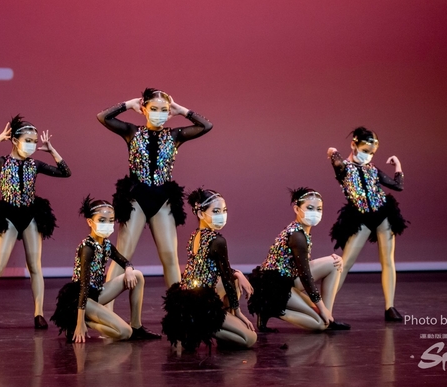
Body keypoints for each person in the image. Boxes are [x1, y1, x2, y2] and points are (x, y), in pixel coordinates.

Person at [97, 88, 212, 297]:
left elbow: (206, 126)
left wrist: (181, 110)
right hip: (136, 199)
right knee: (122, 255)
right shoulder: (132, 132)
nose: (159, 113)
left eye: (164, 109)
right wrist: (128, 104)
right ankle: (105, 306)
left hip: (163, 201)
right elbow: (103, 117)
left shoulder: (174, 135)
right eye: (154, 108)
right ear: (144, 109)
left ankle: (178, 309)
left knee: (170, 257)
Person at [0, 115, 71, 330]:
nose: (32, 145)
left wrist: (52, 151)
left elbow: (65, 172)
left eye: (34, 142)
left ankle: (39, 313)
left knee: (35, 267)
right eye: (28, 141)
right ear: (15, 140)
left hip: (31, 215)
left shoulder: (35, 164)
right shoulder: (1, 162)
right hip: (8, 215)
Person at [51, 196, 161, 343]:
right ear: (90, 222)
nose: (107, 225)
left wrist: (128, 269)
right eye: (102, 221)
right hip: (80, 299)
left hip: (96, 293)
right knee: (124, 333)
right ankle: (82, 322)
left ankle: (137, 327)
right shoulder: (87, 248)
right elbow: (83, 286)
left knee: (137, 275)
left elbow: (124, 261)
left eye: (111, 221)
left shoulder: (106, 244)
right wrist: (79, 323)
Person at [327, 127, 408, 322]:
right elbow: (335, 159)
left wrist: (398, 165)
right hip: (360, 216)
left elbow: (398, 186)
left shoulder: (373, 169)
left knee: (388, 260)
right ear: (353, 145)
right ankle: (325, 308)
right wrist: (332, 152)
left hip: (383, 213)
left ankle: (390, 307)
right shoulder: (344, 168)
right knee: (345, 263)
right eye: (365, 151)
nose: (368, 156)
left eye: (372, 153)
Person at [162, 188, 257, 351]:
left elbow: (221, 270)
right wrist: (238, 312)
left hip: (187, 299)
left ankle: (202, 325)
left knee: (234, 280)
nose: (222, 215)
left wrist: (237, 273)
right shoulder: (217, 241)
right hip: (201, 304)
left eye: (224, 210)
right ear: (200, 213)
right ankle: (199, 327)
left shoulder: (195, 235)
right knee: (250, 339)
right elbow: (226, 278)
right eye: (216, 211)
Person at [247, 188, 349, 332]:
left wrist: (337, 258)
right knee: (319, 324)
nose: (315, 212)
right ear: (296, 209)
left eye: (319, 209)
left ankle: (328, 317)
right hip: (273, 288)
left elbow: (301, 267)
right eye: (310, 208)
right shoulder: (297, 236)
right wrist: (320, 307)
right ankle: (271, 309)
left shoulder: (302, 230)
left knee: (334, 263)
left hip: (288, 278)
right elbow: (306, 276)